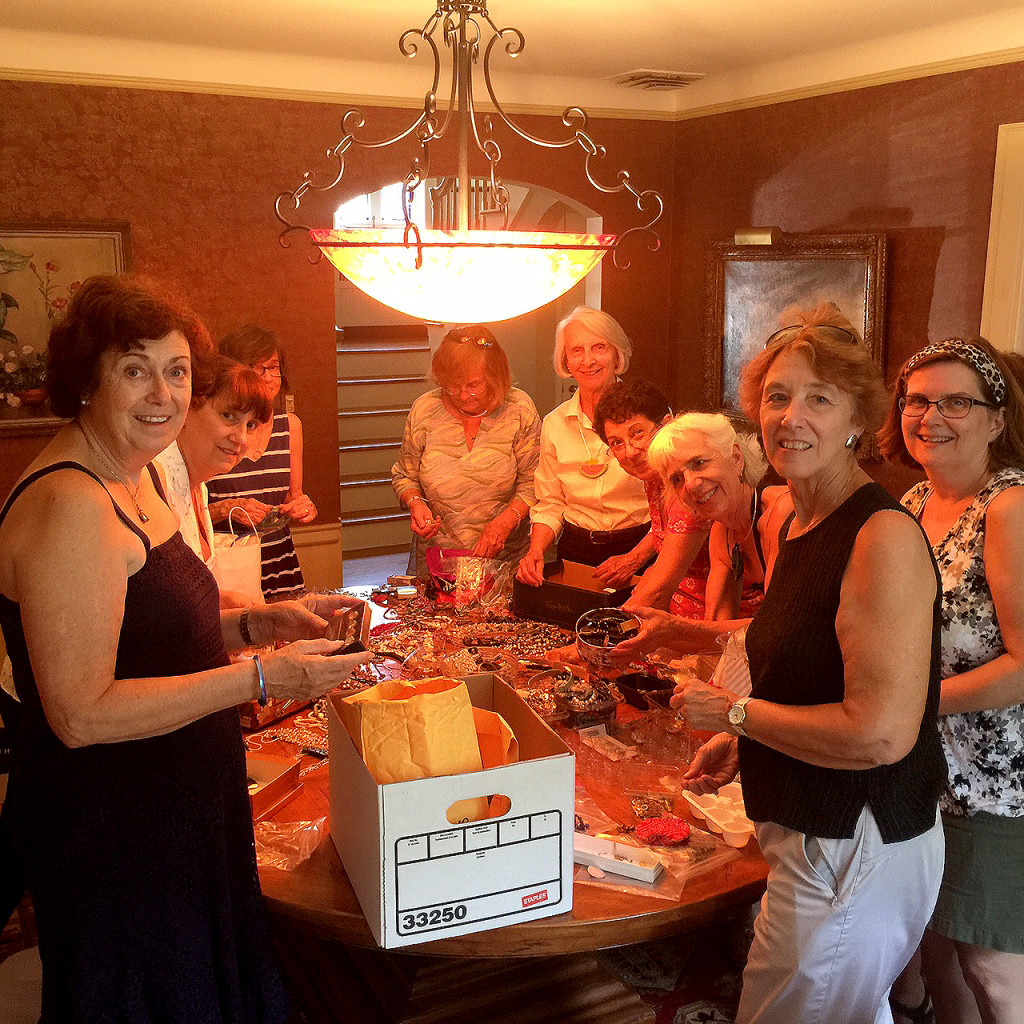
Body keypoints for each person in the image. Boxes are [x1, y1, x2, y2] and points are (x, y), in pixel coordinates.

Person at [0, 275, 368, 1022]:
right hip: (116, 830)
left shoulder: (128, 477)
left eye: (176, 372)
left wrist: (265, 623)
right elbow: (80, 713)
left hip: (173, 804)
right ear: (87, 378)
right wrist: (264, 676)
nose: (163, 394)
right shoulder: (73, 502)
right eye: (136, 369)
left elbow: (156, 639)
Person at [658, 303, 948, 1023]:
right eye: (777, 397)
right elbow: (809, 663)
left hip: (858, 843)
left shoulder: (879, 535)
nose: (792, 416)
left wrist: (735, 713)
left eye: (819, 398)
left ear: (858, 418)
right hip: (816, 839)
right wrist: (747, 738)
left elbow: (880, 733)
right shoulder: (798, 518)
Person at [880, 337, 1024, 1024]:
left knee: (996, 964)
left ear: (997, 419)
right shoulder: (912, 501)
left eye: (957, 401)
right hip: (925, 770)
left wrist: (908, 703)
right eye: (917, 400)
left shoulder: (1010, 508)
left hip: (999, 785)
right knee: (939, 945)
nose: (931, 415)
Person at [391, 325, 540, 577]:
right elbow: (405, 476)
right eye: (452, 385)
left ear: (495, 377)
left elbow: (533, 482)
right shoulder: (425, 410)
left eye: (473, 385)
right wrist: (416, 503)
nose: (462, 395)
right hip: (439, 563)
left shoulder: (519, 409)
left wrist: (503, 525)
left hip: (505, 562)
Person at [516, 307, 649, 587]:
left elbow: (673, 506)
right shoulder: (554, 423)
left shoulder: (647, 414)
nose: (588, 360)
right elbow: (551, 503)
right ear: (565, 360)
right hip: (577, 552)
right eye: (576, 350)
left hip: (641, 549)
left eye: (599, 347)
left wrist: (635, 558)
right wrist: (536, 550)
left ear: (616, 355)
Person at [154, 353, 272, 603]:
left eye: (251, 425)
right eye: (228, 416)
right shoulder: (155, 478)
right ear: (188, 408)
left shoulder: (199, 485)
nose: (241, 439)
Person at [590, 380, 713, 616]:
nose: (630, 451)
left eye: (638, 433)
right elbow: (668, 535)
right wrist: (635, 558)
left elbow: (658, 590)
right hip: (674, 614)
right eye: (616, 443)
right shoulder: (655, 476)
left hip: (709, 627)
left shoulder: (689, 486)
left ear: (666, 425)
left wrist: (605, 634)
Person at [207, 326, 312, 600]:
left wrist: (302, 506)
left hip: (279, 560)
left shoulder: (290, 426)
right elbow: (182, 515)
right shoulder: (211, 427)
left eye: (273, 367)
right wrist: (227, 508)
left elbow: (293, 496)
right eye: (255, 368)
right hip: (228, 563)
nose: (266, 378)